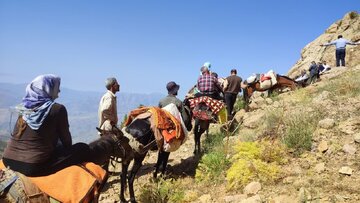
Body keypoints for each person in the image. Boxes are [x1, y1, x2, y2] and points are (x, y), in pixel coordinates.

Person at [2, 74, 92, 176]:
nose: (59, 91)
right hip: (32, 166)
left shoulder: (24, 107)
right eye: (57, 87)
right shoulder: (58, 109)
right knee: (82, 148)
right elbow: (67, 142)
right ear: (48, 88)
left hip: (7, 160)